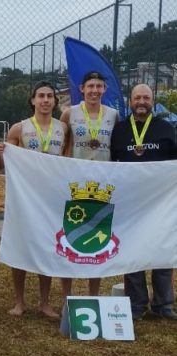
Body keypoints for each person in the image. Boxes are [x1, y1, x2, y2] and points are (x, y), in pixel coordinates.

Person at [0, 81, 67, 318]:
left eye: (49, 96)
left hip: (51, 198)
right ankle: (19, 302)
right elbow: (3, 166)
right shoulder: (19, 129)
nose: (45, 100)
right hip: (25, 198)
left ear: (55, 101)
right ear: (33, 100)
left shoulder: (63, 128)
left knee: (47, 247)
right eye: (41, 96)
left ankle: (45, 303)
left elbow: (68, 162)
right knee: (21, 247)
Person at [111, 83, 177, 321]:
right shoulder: (119, 130)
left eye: (146, 98)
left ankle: (163, 304)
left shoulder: (166, 129)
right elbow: (110, 165)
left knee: (163, 251)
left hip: (161, 204)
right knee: (132, 252)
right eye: (137, 97)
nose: (141, 102)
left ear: (153, 100)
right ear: (130, 101)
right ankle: (136, 304)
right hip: (131, 203)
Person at [60, 71, 120, 297]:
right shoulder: (69, 113)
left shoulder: (113, 115)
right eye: (91, 86)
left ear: (104, 89)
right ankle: (67, 296)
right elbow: (62, 145)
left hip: (102, 186)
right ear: (82, 88)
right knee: (69, 237)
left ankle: (93, 294)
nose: (95, 90)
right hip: (76, 185)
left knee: (98, 241)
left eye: (99, 86)